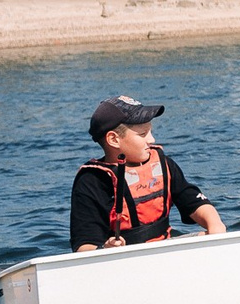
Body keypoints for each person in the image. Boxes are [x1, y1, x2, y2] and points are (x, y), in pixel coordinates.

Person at [71, 96, 228, 253]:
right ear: (114, 139)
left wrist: (215, 224)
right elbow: (83, 247)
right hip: (120, 260)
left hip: (163, 249)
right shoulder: (92, 181)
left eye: (151, 131)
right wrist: (105, 249)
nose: (151, 139)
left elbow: (193, 201)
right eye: (143, 134)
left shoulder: (163, 164)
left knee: (210, 235)